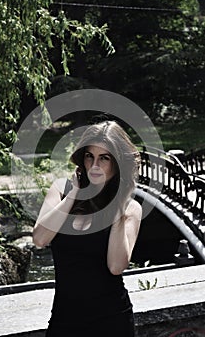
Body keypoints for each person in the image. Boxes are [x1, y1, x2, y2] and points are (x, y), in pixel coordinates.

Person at [33, 120, 142, 337]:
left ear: (118, 163)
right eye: (89, 156)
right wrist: (74, 194)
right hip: (64, 319)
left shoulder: (129, 208)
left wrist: (118, 207)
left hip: (111, 321)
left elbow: (115, 266)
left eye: (104, 158)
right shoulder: (61, 190)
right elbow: (40, 238)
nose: (94, 165)